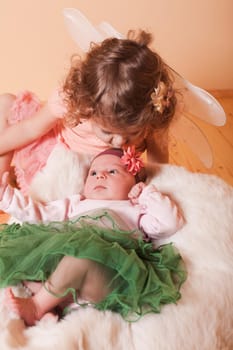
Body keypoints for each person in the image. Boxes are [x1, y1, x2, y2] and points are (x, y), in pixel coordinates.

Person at [0, 147, 185, 326]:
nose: (100, 176)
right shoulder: (76, 203)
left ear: (135, 183)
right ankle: (53, 305)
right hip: (64, 267)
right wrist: (6, 197)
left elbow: (169, 222)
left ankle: (37, 306)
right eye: (93, 173)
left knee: (82, 256)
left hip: (103, 274)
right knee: (30, 249)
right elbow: (40, 214)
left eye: (112, 171)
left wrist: (146, 194)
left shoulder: (135, 210)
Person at [0, 30, 177, 202]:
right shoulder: (71, 100)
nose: (119, 142)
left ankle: (19, 192)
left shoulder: (151, 119)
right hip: (56, 158)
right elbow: (29, 129)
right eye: (107, 132)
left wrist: (147, 195)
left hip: (91, 183)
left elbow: (158, 168)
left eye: (132, 135)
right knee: (6, 103)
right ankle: (2, 182)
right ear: (88, 105)